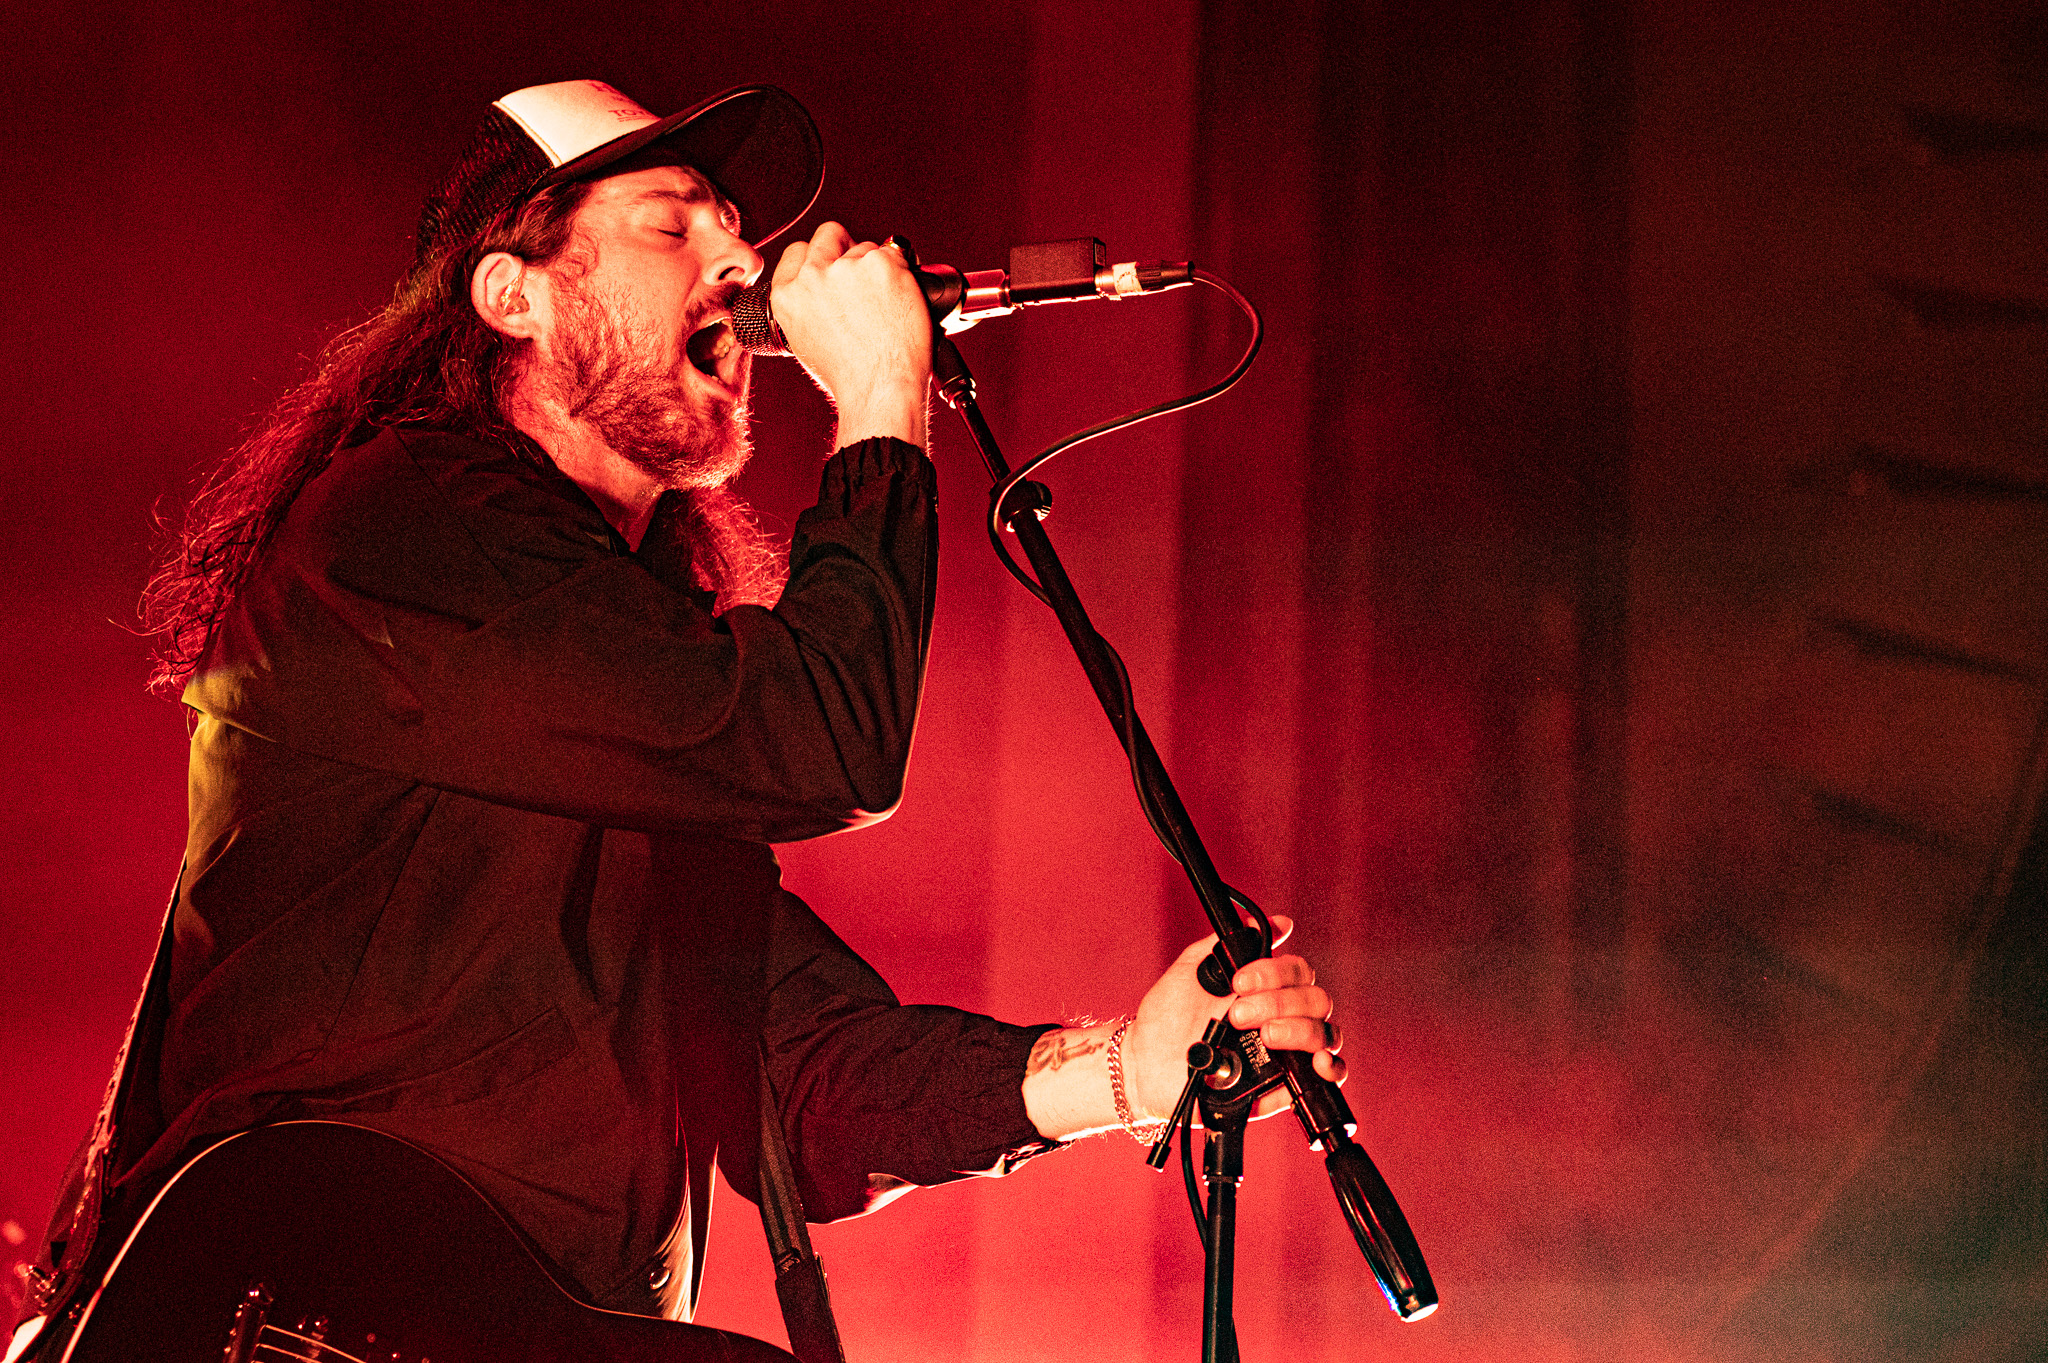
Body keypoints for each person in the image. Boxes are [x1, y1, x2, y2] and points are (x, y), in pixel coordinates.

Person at [17, 78, 1345, 1347]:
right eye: (674, 224)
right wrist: (883, 401)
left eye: (736, 226)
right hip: (297, 1314)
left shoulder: (621, 683)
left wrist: (1131, 1070)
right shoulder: (401, 524)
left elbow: (806, 1089)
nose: (740, 259)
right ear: (514, 293)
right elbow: (822, 741)